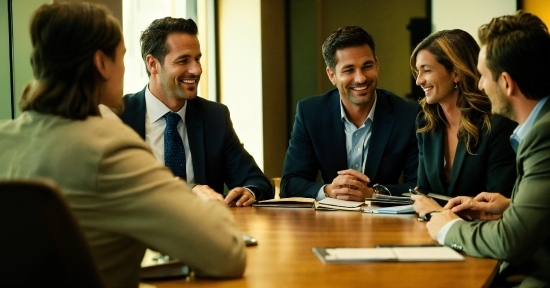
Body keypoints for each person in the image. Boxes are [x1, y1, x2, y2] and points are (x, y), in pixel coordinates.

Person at [0, 2, 246, 287]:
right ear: (101, 63)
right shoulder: (110, 149)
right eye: (122, 57)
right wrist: (209, 202)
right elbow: (227, 253)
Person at [412, 11, 550, 287]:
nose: (480, 84)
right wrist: (510, 208)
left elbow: (512, 242)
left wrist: (448, 226)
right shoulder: (538, 128)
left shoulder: (541, 135)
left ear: (507, 83)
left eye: (484, 76)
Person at [120, 17, 272, 207]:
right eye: (183, 60)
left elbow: (258, 182)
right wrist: (188, 190)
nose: (196, 70)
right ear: (153, 64)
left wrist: (248, 191)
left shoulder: (215, 116)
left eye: (197, 59)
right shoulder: (119, 116)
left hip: (204, 231)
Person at [281, 26, 420, 201]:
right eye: (349, 70)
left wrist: (373, 194)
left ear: (377, 65)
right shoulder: (310, 112)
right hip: (328, 223)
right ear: (332, 75)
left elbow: (418, 186)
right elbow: (290, 183)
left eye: (367, 66)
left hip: (386, 223)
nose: (361, 78)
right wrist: (330, 190)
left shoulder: (408, 115)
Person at [410, 29, 517, 199]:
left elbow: (497, 201)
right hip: (435, 224)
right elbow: (423, 191)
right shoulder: (426, 123)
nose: (419, 81)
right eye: (418, 72)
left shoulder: (496, 124)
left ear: (456, 73)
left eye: (427, 71)